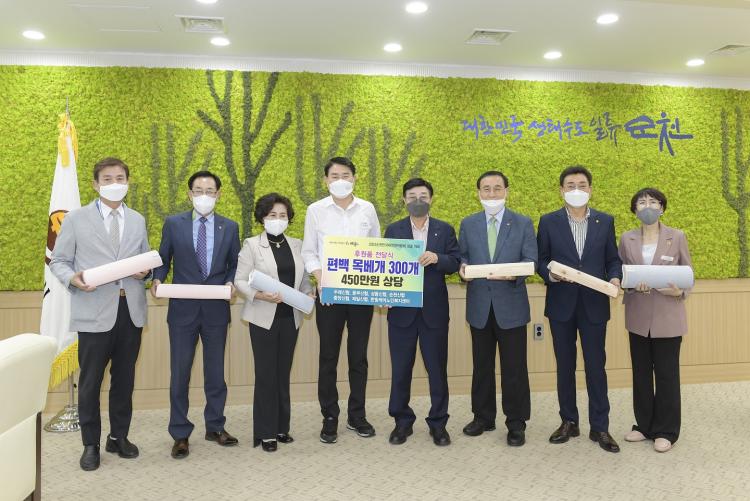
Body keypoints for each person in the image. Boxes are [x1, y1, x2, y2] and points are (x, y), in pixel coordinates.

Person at [50, 157, 152, 471]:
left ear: (127, 182)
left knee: (124, 379)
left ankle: (118, 437)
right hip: (93, 311)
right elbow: (59, 261)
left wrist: (146, 272)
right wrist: (73, 279)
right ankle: (90, 444)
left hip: (130, 311)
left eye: (120, 178)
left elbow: (145, 260)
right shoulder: (76, 219)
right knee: (91, 381)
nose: (114, 183)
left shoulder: (137, 219)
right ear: (95, 184)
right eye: (107, 179)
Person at [151, 170, 241, 459]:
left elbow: (234, 264)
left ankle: (215, 426)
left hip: (216, 310)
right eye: (199, 191)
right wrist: (157, 278)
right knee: (180, 373)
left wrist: (231, 282)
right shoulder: (173, 224)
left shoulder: (230, 227)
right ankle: (180, 432)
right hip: (182, 310)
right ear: (189, 194)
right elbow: (164, 259)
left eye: (210, 191)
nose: (204, 196)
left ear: (218, 195)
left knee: (215, 373)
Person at [536, 165, 623, 453]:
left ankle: (600, 426)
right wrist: (550, 274)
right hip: (561, 304)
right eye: (570, 185)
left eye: (582, 185)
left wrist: (615, 278)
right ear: (561, 190)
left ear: (590, 189)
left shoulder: (605, 221)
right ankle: (568, 421)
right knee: (565, 366)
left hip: (595, 304)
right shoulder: (548, 221)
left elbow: (612, 259)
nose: (576, 189)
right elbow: (541, 260)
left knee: (596, 366)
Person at [301, 156, 381, 443]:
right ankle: (330, 416)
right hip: (329, 295)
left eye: (346, 175)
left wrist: (380, 287)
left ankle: (357, 415)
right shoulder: (315, 210)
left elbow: (377, 249)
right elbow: (309, 251)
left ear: (354, 178)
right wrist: (319, 276)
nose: (340, 180)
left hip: (361, 294)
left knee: (358, 357)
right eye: (334, 176)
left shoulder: (367, 209)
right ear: (326, 180)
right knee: (328, 356)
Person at [458, 170, 537, 447]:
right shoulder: (468, 223)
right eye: (486, 189)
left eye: (497, 188)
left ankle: (516, 423)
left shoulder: (523, 223)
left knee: (514, 368)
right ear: (478, 193)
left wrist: (514, 273)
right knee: (482, 366)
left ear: (506, 191)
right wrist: (462, 269)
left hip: (511, 306)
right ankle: (483, 417)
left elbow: (530, 260)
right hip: (479, 306)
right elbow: (463, 257)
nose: (492, 194)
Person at [234, 193, 314, 452]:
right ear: (262, 218)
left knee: (282, 373)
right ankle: (265, 432)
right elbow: (239, 280)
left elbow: (303, 280)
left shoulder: (297, 245)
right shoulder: (251, 245)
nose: (278, 219)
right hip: (262, 317)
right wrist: (259, 295)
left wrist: (309, 293)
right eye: (272, 215)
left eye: (282, 215)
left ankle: (281, 428)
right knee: (266, 374)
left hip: (291, 318)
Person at [384, 178, 460, 446]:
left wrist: (438, 258)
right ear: (404, 200)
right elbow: (384, 266)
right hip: (401, 312)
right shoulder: (393, 230)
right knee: (400, 370)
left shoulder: (444, 229)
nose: (418, 201)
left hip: (434, 312)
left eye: (423, 196)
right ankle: (402, 422)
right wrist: (384, 294)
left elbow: (456, 262)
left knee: (437, 370)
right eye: (412, 196)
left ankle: (438, 424)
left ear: (431, 199)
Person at [618, 188, 692, 453]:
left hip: (668, 317)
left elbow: (689, 274)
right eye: (641, 202)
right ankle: (644, 426)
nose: (647, 206)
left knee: (666, 375)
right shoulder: (627, 239)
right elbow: (621, 274)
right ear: (634, 209)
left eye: (653, 202)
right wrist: (630, 285)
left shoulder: (677, 236)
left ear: (662, 208)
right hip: (638, 317)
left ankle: (666, 431)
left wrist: (679, 292)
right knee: (640, 374)